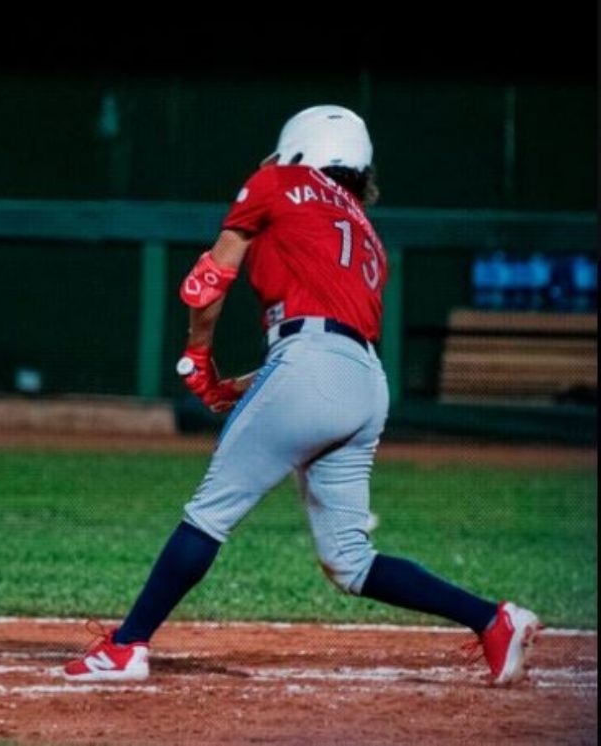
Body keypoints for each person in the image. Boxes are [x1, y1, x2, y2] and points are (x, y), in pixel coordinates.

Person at [63, 105, 541, 686]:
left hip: (312, 368)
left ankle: (127, 645)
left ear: (301, 145)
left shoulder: (280, 180)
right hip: (365, 383)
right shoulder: (367, 232)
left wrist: (199, 355)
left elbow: (210, 280)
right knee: (350, 561)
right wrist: (248, 384)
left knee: (209, 515)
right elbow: (327, 342)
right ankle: (493, 620)